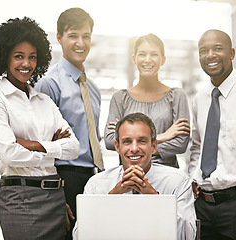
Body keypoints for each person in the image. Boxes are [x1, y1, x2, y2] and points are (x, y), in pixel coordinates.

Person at [0, 17, 80, 239]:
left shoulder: (45, 101)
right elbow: (9, 153)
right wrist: (53, 149)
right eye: (19, 56)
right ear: (4, 57)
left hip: (54, 197)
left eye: (32, 57)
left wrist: (33, 146)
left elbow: (74, 148)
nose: (26, 64)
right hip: (19, 197)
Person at [35, 8, 102, 239]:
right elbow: (43, 145)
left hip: (94, 178)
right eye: (73, 35)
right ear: (59, 38)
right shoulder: (49, 84)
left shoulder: (92, 88)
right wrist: (56, 196)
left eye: (86, 36)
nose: (80, 43)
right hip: (64, 178)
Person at [74, 112, 197, 240]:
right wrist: (112, 197)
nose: (134, 148)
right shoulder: (96, 184)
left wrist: (154, 197)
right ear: (117, 147)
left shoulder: (178, 181)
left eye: (142, 141)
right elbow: (78, 236)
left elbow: (188, 236)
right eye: (127, 141)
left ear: (153, 146)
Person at [189, 29, 236, 240]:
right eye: (204, 50)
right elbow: (197, 146)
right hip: (202, 205)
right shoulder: (200, 98)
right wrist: (193, 177)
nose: (210, 55)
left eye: (218, 48)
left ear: (232, 53)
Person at [104, 33, 190, 168]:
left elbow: (180, 144)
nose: (148, 60)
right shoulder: (120, 98)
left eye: (154, 54)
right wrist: (163, 136)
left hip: (167, 176)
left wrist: (129, 144)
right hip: (130, 176)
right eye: (142, 54)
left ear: (163, 60)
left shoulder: (177, 96)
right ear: (134, 59)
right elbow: (110, 142)